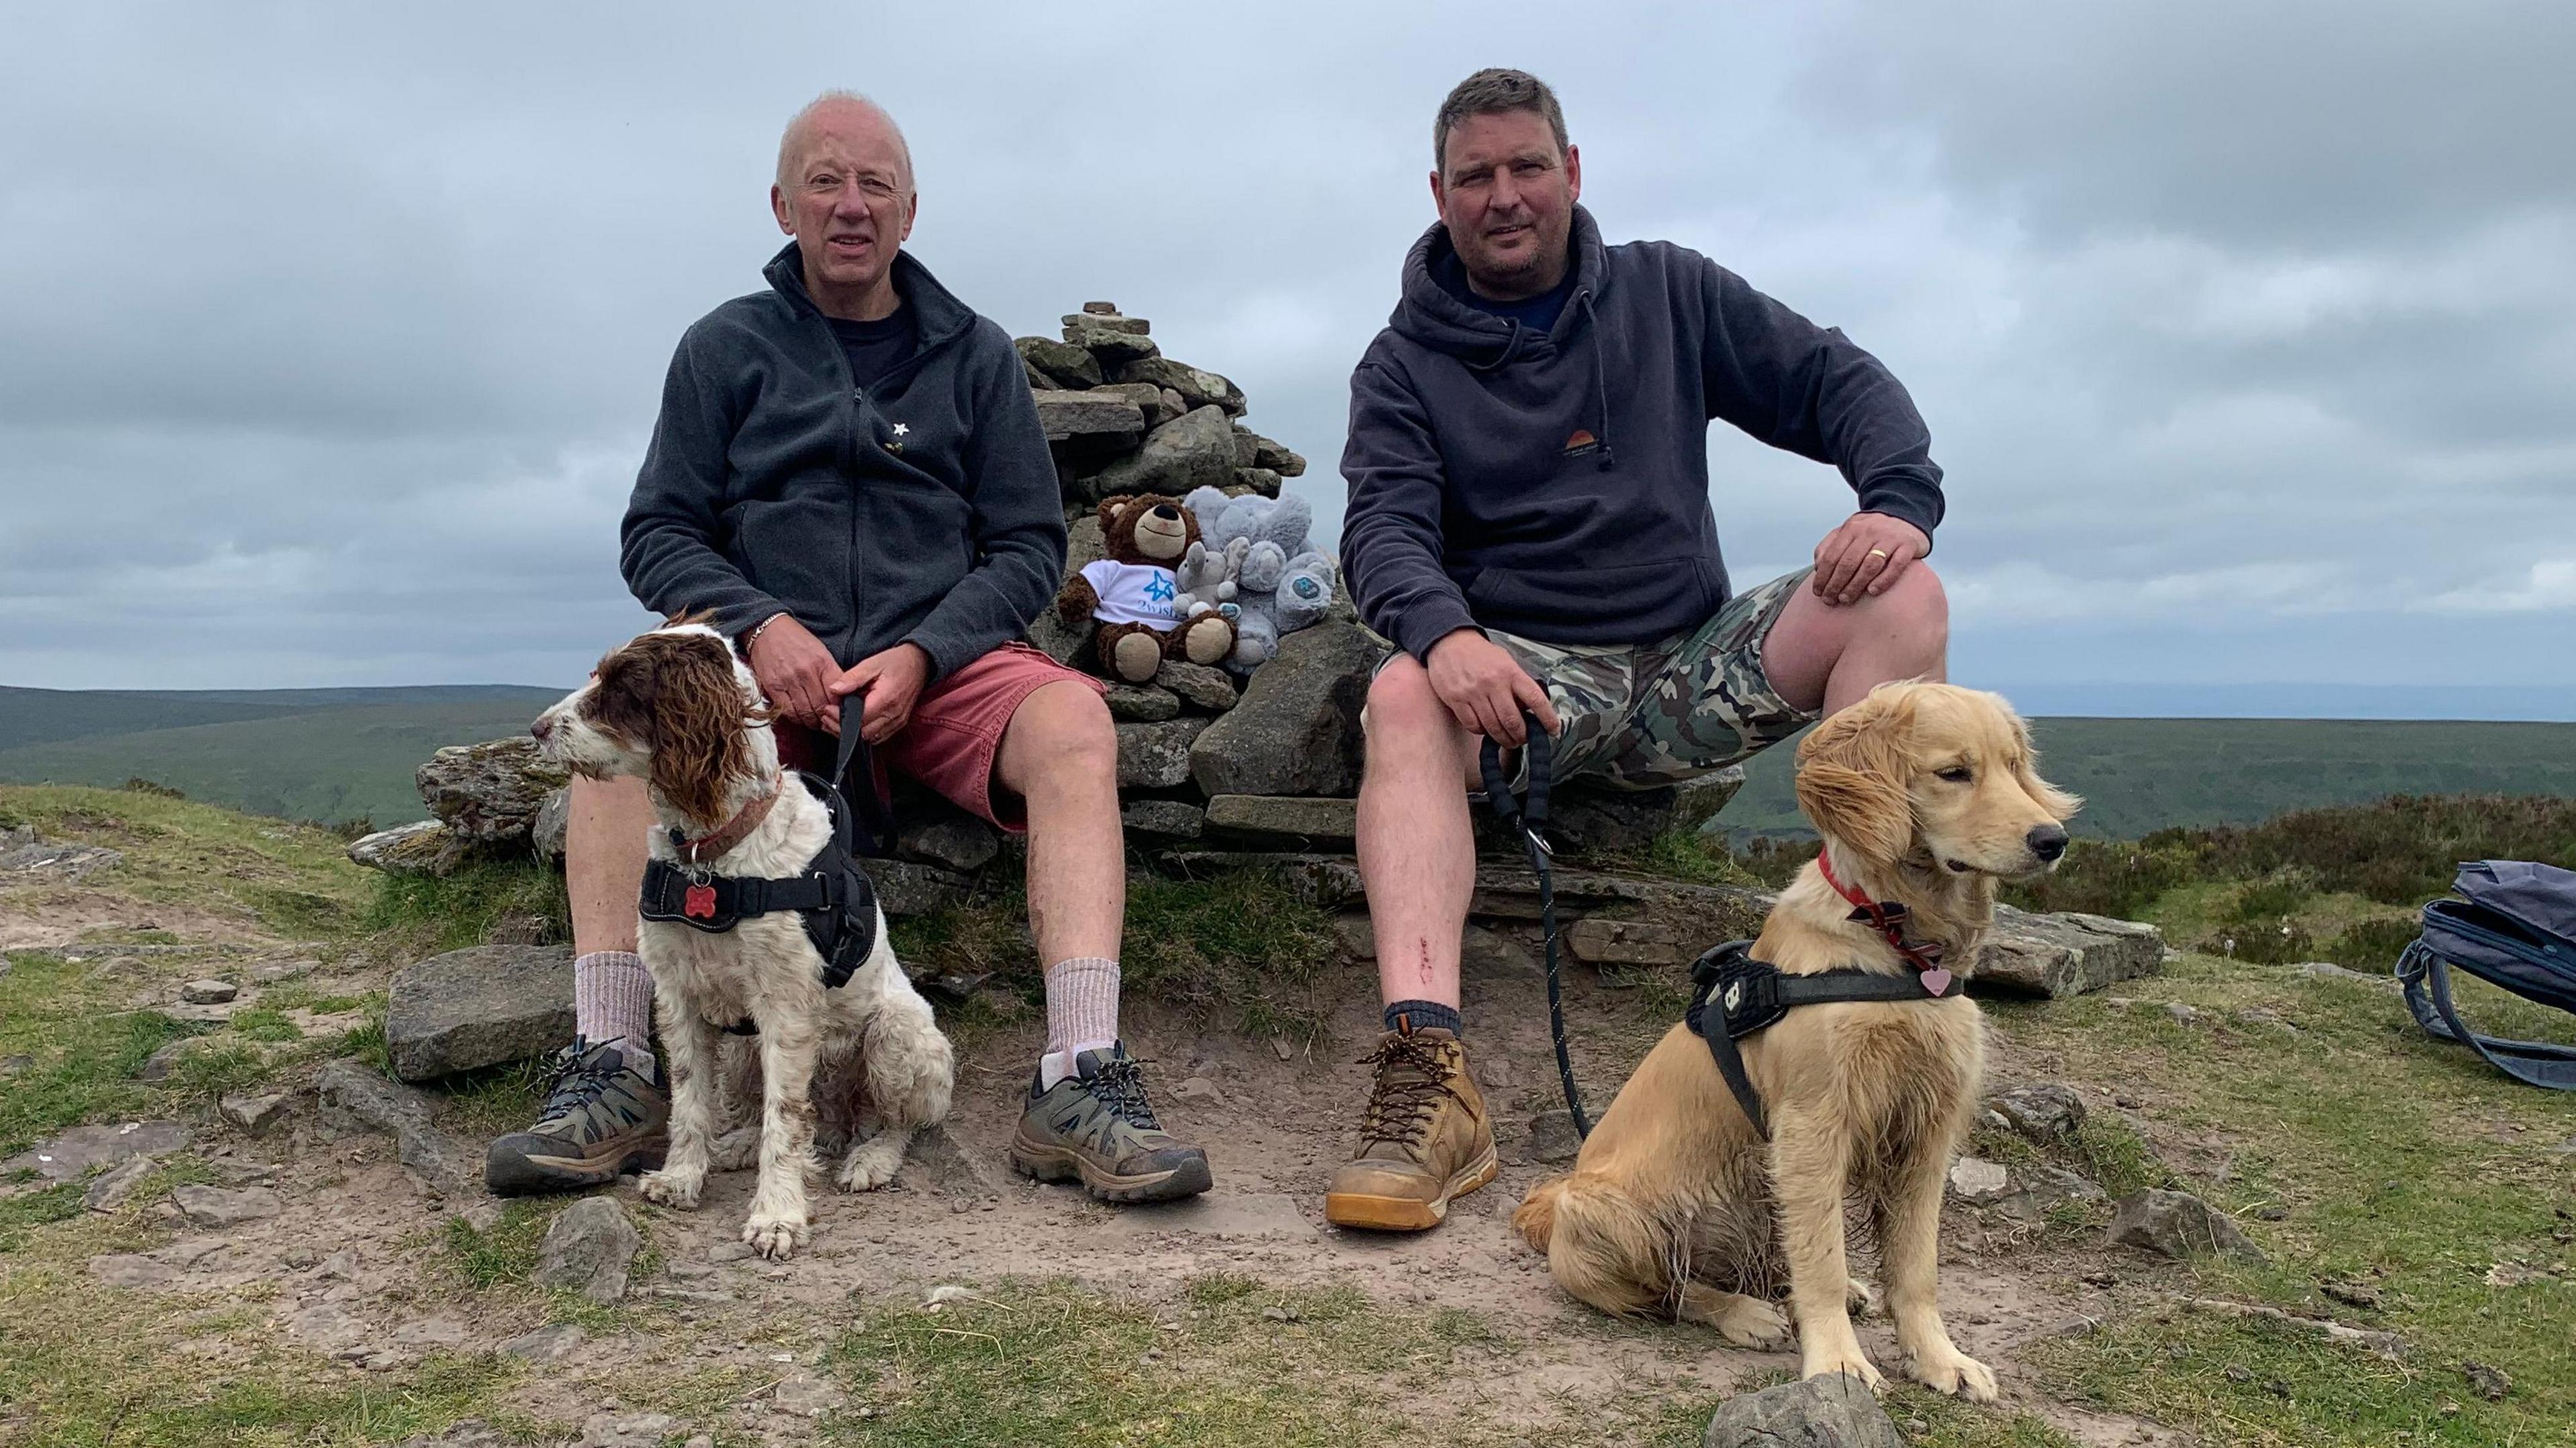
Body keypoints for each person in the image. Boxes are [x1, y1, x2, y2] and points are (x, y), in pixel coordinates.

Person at [485, 91, 1210, 1206]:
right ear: (783, 203)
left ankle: (1081, 1069)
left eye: (875, 184)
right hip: (764, 687)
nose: (851, 205)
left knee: (1073, 719)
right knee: (612, 751)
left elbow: (1024, 547)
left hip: (945, 670)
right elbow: (657, 531)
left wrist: (927, 651)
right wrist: (758, 626)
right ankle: (616, 1064)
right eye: (826, 180)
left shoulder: (973, 356)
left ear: (911, 210)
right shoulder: (723, 349)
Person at [1327, 69, 1950, 1233]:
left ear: (1572, 171)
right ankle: (1430, 1075)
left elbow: (1831, 379)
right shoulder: (1399, 365)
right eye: (1476, 176)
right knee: (1407, 693)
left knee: (1901, 598)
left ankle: (1869, 995)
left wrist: (1897, 499)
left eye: (1526, 168)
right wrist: (1447, 635)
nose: (1503, 196)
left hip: (1685, 658)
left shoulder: (1670, 290)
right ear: (1438, 192)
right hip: (1525, 681)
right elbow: (1381, 532)